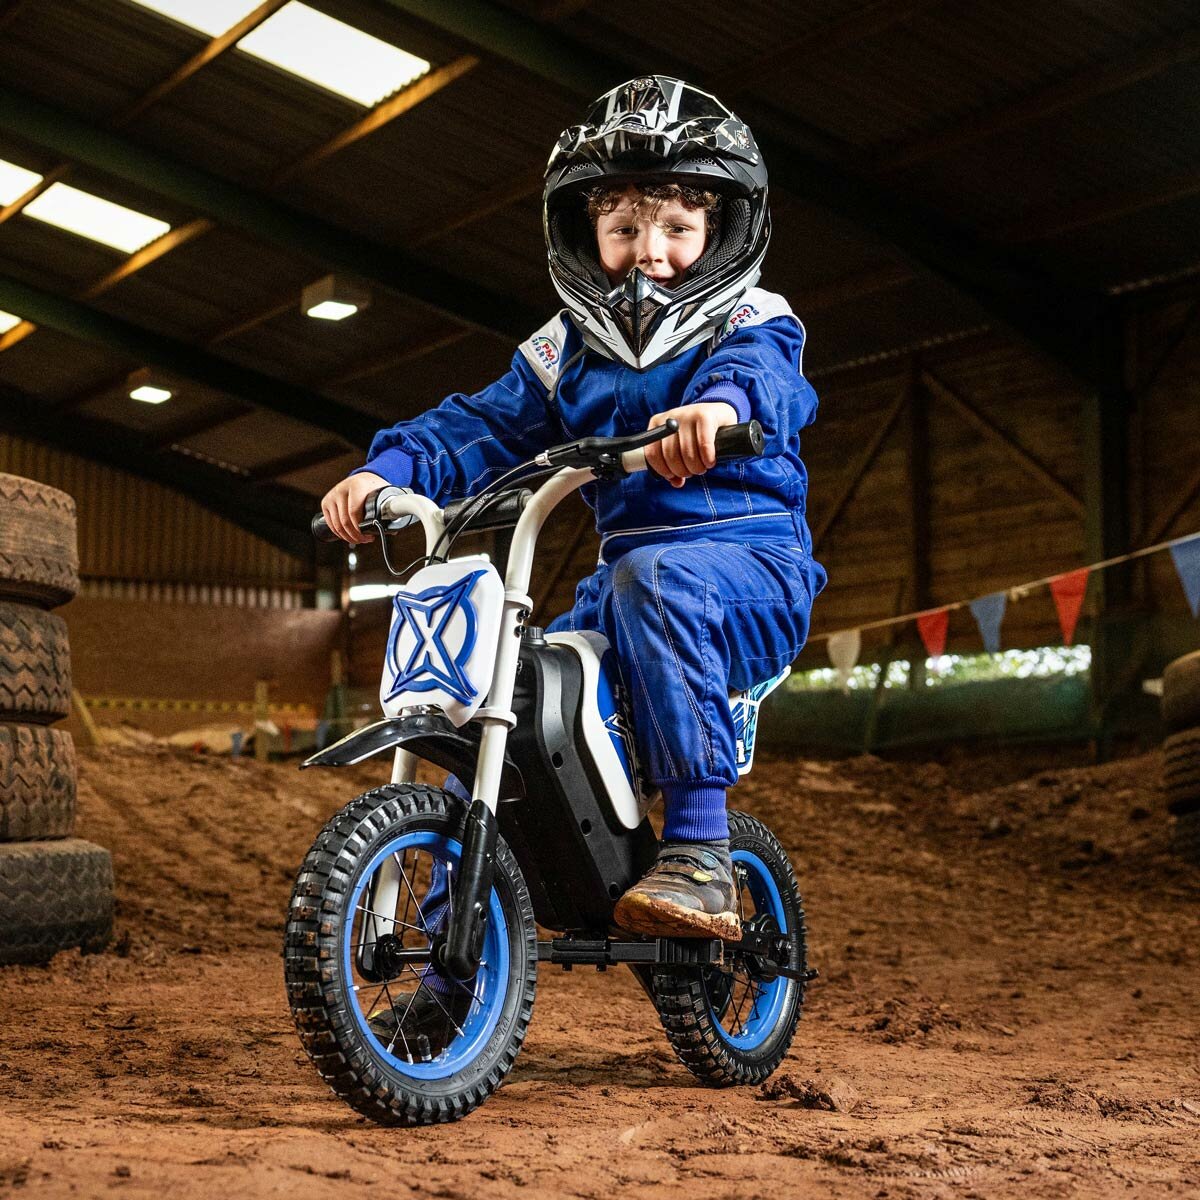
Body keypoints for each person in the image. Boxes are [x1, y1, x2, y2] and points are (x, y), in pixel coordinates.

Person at [322, 76, 825, 952]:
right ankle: (462, 929)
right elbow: (480, 422)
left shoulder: (753, 321)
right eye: (624, 228)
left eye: (676, 227)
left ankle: (702, 849)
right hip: (627, 583)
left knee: (652, 582)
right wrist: (388, 473)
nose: (649, 251)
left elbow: (769, 381)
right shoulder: (565, 349)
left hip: (750, 566)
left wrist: (717, 410)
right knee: (517, 679)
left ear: (720, 232)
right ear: (585, 233)